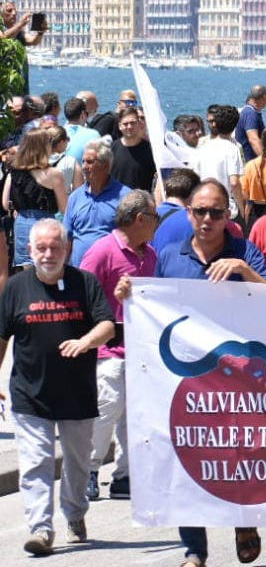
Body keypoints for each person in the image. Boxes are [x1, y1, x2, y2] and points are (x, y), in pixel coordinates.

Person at [129, 178, 265, 567]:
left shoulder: (245, 252)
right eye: (200, 211)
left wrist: (243, 270)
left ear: (228, 216)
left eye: (216, 212)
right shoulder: (168, 255)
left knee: (241, 453)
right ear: (188, 214)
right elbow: (151, 303)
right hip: (185, 376)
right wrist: (130, 293)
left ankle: (244, 521)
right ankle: (195, 550)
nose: (207, 219)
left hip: (237, 375)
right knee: (186, 456)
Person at [1, 219, 115, 557]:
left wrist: (86, 342)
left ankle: (75, 513)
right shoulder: (16, 287)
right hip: (29, 392)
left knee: (78, 463)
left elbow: (107, 325)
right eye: (41, 248)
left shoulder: (85, 283)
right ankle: (41, 529)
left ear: (67, 250)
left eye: (55, 248)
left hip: (77, 393)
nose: (48, 254)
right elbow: (2, 337)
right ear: (30, 250)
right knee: (36, 462)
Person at [77, 190, 160, 503]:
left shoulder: (149, 255)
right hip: (109, 350)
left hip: (141, 350)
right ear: (140, 219)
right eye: (154, 219)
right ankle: (89, 471)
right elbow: (82, 293)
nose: (157, 225)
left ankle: (125, 475)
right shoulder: (103, 251)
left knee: (135, 417)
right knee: (106, 411)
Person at [6, 128, 68, 271]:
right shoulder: (54, 174)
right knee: (48, 269)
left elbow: (5, 202)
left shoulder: (14, 171)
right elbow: (65, 208)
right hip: (45, 224)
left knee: (27, 273)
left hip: (21, 223)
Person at [63, 139, 129, 268]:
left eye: (90, 162)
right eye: (83, 161)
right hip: (79, 272)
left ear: (105, 165)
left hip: (110, 271)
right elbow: (67, 238)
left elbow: (132, 237)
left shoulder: (125, 196)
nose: (84, 167)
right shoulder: (75, 197)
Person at [192, 104, 246, 215]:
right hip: (225, 208)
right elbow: (234, 183)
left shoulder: (202, 146)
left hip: (202, 203)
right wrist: (242, 208)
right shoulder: (233, 149)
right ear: (235, 125)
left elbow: (194, 176)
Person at [234, 85, 266, 163]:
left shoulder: (249, 111)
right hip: (250, 162)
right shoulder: (251, 114)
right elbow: (253, 139)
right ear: (264, 97)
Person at [47, 124, 82, 191]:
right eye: (67, 139)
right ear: (61, 142)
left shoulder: (36, 160)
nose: (67, 142)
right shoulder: (70, 162)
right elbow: (78, 191)